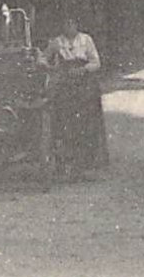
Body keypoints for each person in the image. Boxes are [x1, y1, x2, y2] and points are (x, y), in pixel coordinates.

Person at [38, 16, 109, 177]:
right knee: (64, 121)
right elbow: (42, 57)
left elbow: (96, 62)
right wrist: (46, 65)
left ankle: (85, 163)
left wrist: (83, 69)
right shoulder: (57, 42)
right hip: (65, 85)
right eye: (66, 23)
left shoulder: (86, 40)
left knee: (87, 121)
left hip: (85, 84)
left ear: (77, 25)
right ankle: (65, 161)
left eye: (72, 23)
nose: (69, 26)